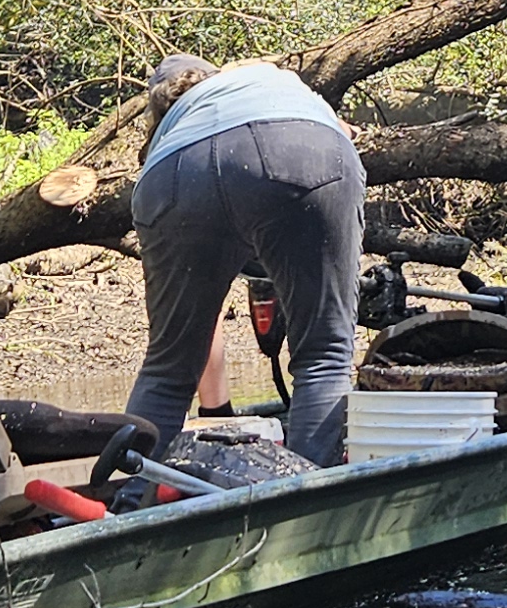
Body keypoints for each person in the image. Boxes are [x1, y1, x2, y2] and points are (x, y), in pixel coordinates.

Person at [126, 53, 365, 465]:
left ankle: (128, 507)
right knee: (323, 356)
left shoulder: (173, 126)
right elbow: (338, 134)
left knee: (166, 372)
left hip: (173, 173)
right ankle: (304, 505)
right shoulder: (263, 79)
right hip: (298, 145)